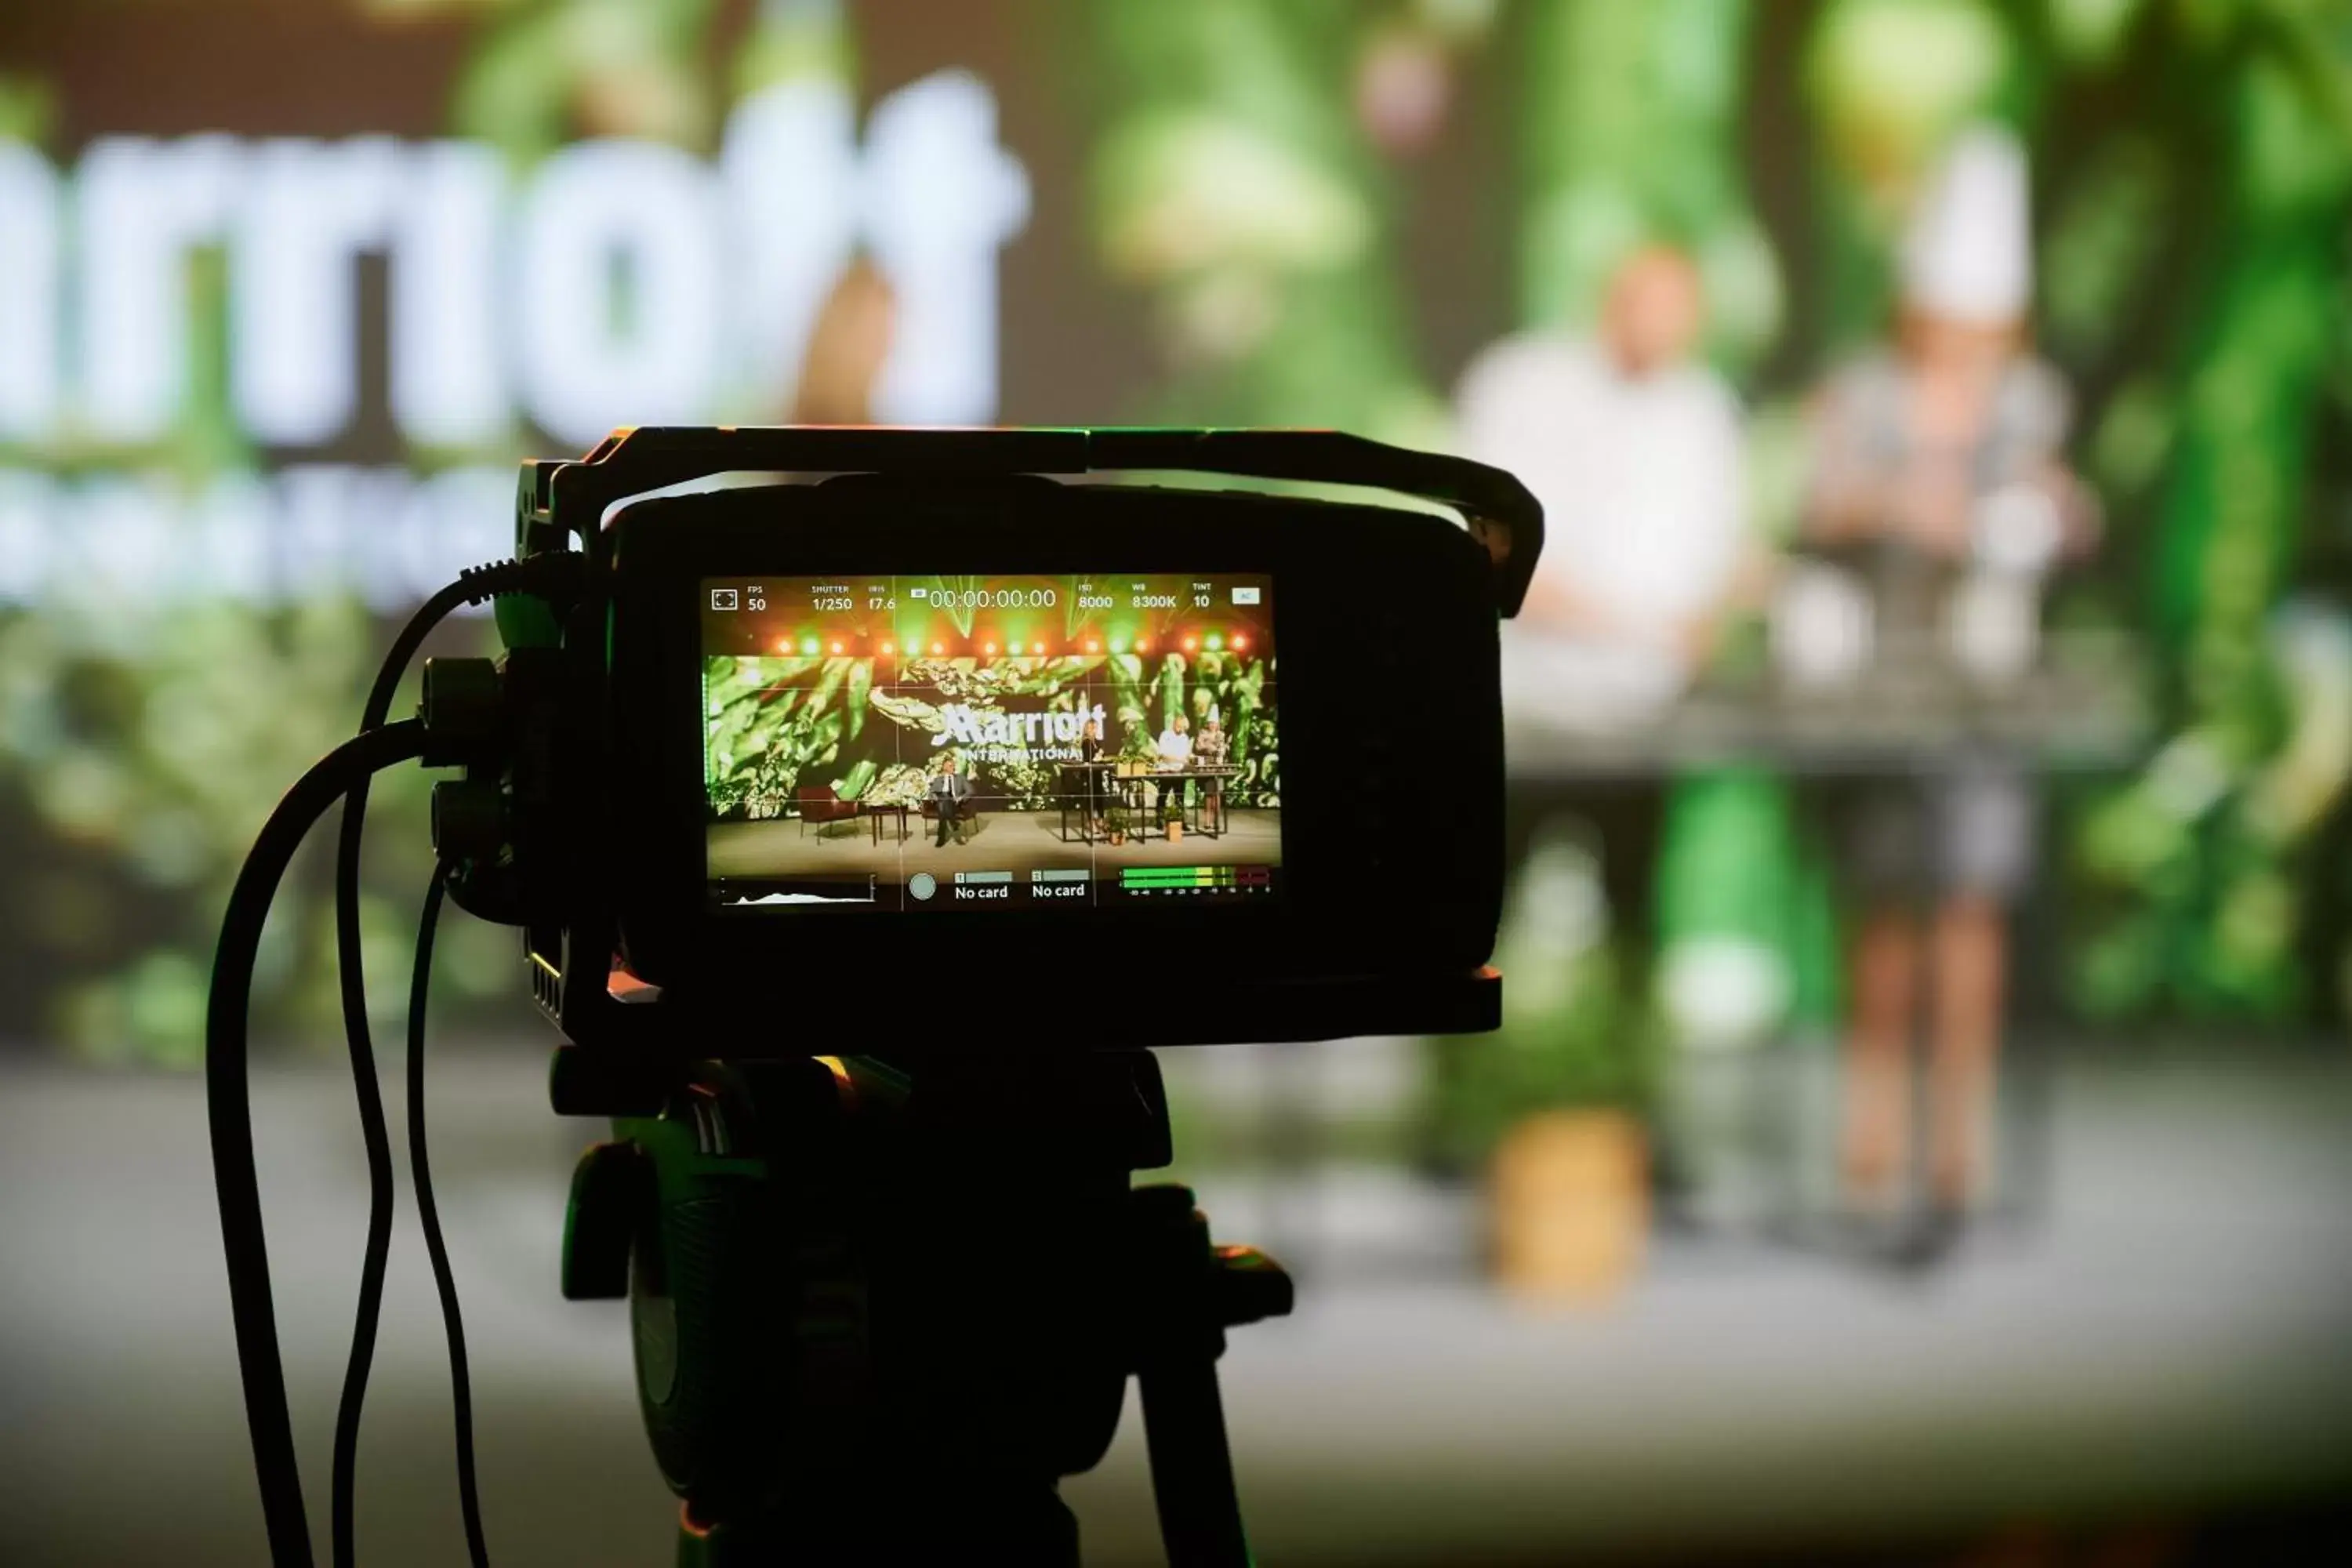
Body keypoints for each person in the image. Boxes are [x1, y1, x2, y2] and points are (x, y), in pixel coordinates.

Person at [1801, 128, 2097, 1214]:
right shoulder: (1861, 389)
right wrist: (1895, 502)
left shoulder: (2030, 399)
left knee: (1973, 902)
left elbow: (2050, 499)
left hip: (1987, 681)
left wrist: (2060, 512)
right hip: (1879, 678)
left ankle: (1959, 1126)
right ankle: (1871, 1110)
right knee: (1884, 904)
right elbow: (1818, 498)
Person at [1458, 243, 1757, 733]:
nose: (1662, 322)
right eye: (1650, 303)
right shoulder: (1524, 384)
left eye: (1679, 308)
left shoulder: (1704, 409)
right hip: (1525, 700)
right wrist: (1629, 629)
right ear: (1612, 299)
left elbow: (1724, 554)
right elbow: (1489, 546)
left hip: (1654, 710)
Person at [1192, 711, 1231, 833]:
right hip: (1208, 767)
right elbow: (1198, 747)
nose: (1213, 725)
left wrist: (1222, 749)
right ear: (1207, 724)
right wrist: (1209, 747)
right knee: (1209, 795)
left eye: (1215, 723)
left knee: (1217, 795)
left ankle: (1216, 821)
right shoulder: (1203, 734)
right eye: (1211, 723)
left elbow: (1223, 749)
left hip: (1218, 767)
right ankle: (1207, 821)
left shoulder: (1221, 735)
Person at [929, 750, 974, 847]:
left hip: (955, 802)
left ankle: (941, 837)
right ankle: (954, 824)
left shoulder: (960, 778)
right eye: (950, 766)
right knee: (943, 799)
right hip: (940, 802)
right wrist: (934, 797)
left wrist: (961, 798)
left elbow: (970, 791)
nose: (953, 767)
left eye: (954, 765)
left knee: (943, 805)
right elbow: (931, 793)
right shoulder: (938, 779)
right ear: (944, 767)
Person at [1153, 712, 1192, 818]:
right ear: (1175, 724)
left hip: (1179, 771)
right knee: (1163, 795)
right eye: (1179, 726)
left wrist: (1187, 760)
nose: (1180, 730)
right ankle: (1160, 819)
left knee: (1180, 796)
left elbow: (1186, 755)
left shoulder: (1185, 738)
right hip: (1166, 770)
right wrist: (1177, 759)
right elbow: (1162, 755)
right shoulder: (1165, 735)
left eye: (1183, 728)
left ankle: (1180, 819)